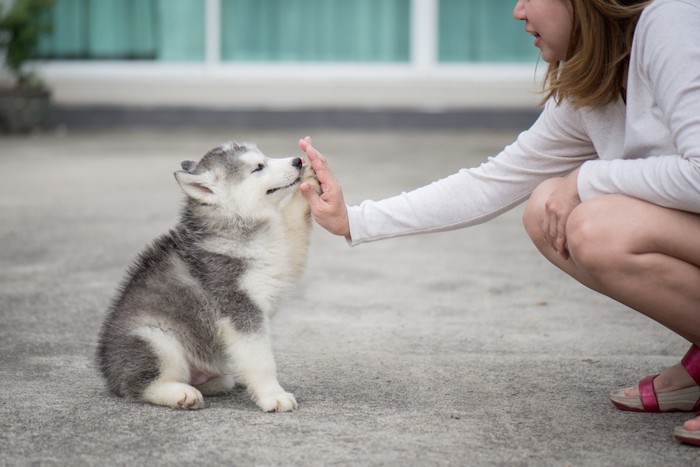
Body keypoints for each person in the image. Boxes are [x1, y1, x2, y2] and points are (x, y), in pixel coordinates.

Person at [297, 0, 700, 446]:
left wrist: (587, 178)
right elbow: (489, 183)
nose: (517, 11)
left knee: (595, 225)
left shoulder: (671, 21)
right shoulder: (591, 83)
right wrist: (353, 220)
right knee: (545, 207)